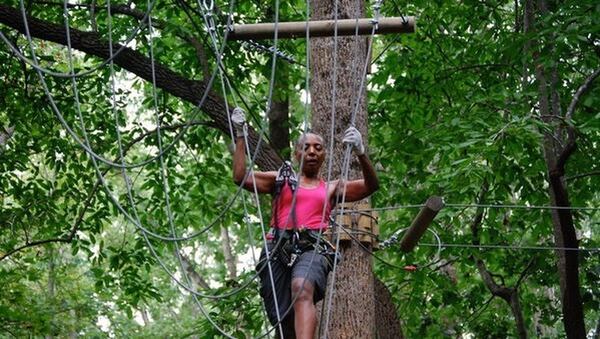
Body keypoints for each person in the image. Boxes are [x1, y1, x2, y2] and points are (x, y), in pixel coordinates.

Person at [231, 107, 379, 339]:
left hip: (313, 247)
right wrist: (240, 135)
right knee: (280, 316)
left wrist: (361, 153)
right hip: (277, 248)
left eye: (318, 148)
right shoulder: (280, 179)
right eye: (305, 147)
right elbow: (240, 177)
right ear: (296, 154)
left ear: (324, 156)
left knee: (302, 288)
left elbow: (371, 186)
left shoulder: (331, 187)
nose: (312, 151)